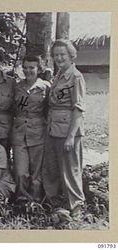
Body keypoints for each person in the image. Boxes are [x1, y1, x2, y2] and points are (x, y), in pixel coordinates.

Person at [42, 39, 86, 218]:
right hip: (53, 129)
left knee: (71, 170)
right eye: (56, 55)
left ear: (71, 56)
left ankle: (76, 209)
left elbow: (78, 109)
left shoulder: (76, 77)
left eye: (63, 55)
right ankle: (56, 206)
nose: (59, 58)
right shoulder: (59, 75)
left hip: (68, 131)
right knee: (52, 169)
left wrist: (70, 137)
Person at [12, 55, 50, 203]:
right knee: (21, 171)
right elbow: (12, 109)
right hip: (19, 132)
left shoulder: (45, 87)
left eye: (31, 67)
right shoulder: (17, 86)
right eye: (25, 67)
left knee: (36, 172)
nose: (28, 70)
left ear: (38, 69)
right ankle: (22, 200)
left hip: (38, 131)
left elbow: (49, 109)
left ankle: (35, 201)